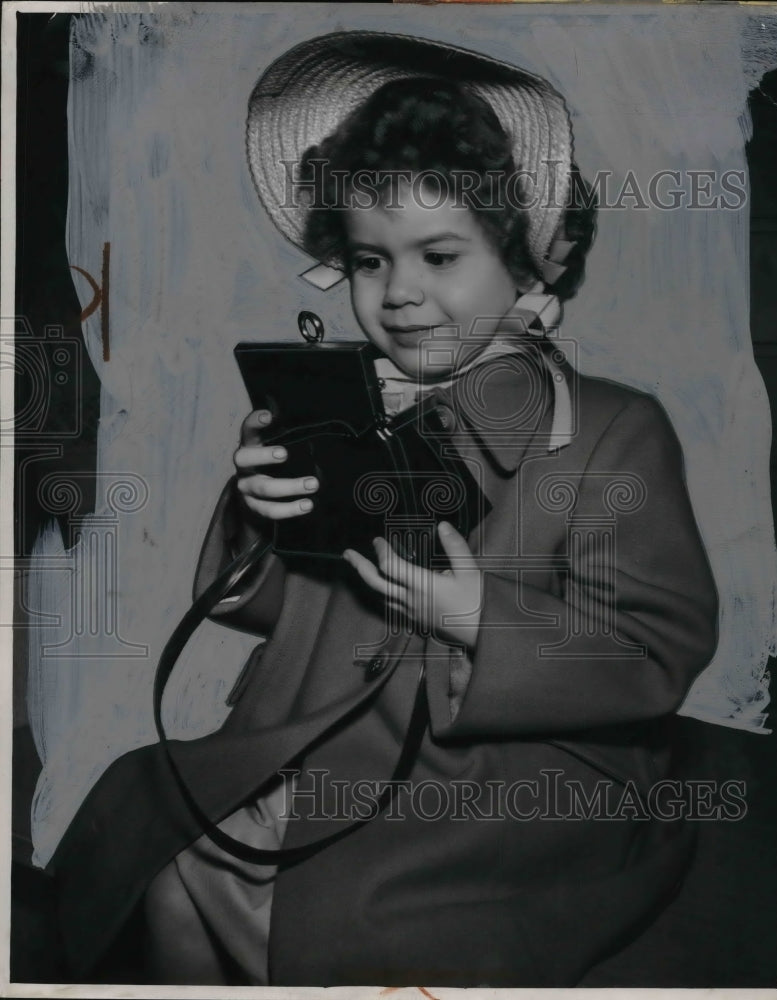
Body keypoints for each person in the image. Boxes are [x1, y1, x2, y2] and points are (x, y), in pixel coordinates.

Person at [49, 32, 718, 988]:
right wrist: (261, 512)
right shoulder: (354, 409)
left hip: (515, 772)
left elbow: (654, 652)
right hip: (320, 730)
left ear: (525, 266)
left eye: (439, 256)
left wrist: (478, 618)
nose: (399, 295)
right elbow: (282, 608)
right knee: (154, 846)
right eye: (369, 263)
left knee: (348, 915)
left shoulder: (613, 428)